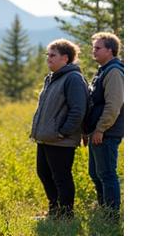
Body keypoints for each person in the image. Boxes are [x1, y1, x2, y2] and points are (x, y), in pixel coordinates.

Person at [30, 39, 88, 220]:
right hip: (47, 138)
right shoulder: (52, 78)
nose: (49, 58)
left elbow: (78, 110)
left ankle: (66, 214)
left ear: (65, 58)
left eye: (52, 55)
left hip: (61, 139)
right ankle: (54, 210)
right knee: (44, 173)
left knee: (61, 177)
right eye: (48, 54)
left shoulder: (73, 78)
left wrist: (63, 132)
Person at [84, 32, 124, 222]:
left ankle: (111, 217)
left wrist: (101, 129)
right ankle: (104, 211)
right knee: (96, 173)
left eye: (98, 48)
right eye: (94, 47)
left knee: (107, 174)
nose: (94, 51)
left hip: (107, 132)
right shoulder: (103, 70)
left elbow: (113, 105)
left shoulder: (114, 71)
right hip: (98, 131)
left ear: (110, 50)